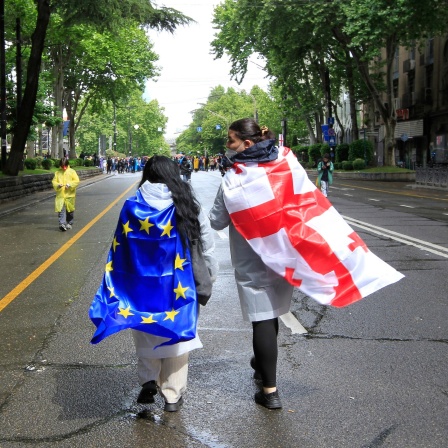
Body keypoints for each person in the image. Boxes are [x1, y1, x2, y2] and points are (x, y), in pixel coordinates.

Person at [89, 155, 218, 412]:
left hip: (139, 285)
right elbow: (205, 243)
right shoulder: (186, 204)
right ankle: (172, 394)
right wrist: (209, 276)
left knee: (145, 328)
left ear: (146, 173)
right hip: (179, 286)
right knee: (177, 335)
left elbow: (120, 247)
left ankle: (148, 379)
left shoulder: (131, 205)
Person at [209, 119, 292, 410]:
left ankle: (270, 391)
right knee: (274, 312)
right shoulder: (284, 169)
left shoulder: (234, 179)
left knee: (263, 318)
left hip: (251, 259)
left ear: (246, 144)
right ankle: (261, 364)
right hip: (283, 254)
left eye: (231, 140)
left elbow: (216, 220)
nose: (227, 146)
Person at [51, 157, 80, 231]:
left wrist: (70, 185)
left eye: (65, 166)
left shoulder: (72, 172)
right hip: (60, 195)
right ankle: (62, 224)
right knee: (61, 210)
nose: (64, 168)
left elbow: (76, 181)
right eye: (62, 166)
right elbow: (54, 182)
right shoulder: (57, 173)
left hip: (70, 195)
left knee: (69, 210)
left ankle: (69, 222)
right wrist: (58, 185)